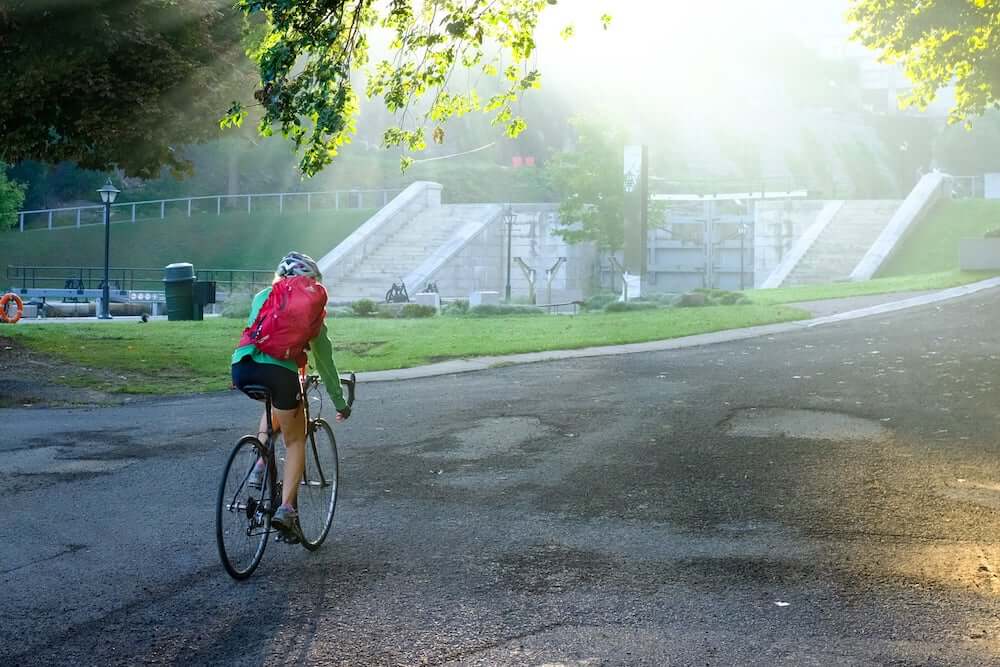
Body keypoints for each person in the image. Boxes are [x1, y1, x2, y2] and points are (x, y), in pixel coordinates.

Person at [231, 251, 350, 539]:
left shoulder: (263, 296)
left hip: (242, 367)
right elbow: (324, 361)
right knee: (295, 439)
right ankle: (286, 509)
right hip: (281, 375)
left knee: (272, 407)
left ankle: (259, 464)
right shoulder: (311, 311)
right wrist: (340, 402)